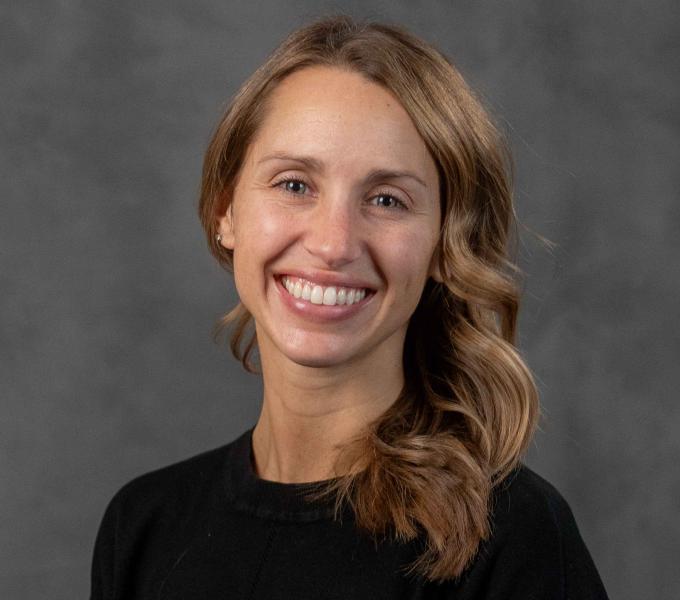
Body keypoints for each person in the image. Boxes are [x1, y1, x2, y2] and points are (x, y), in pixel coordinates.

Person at [90, 15, 609, 599]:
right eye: (293, 185)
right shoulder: (143, 527)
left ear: (444, 244)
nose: (333, 243)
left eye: (387, 199)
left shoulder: (509, 537)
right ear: (224, 210)